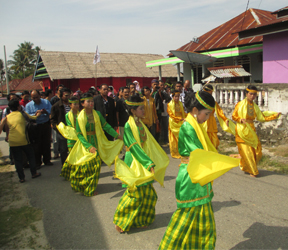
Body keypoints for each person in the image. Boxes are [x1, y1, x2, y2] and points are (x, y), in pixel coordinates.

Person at [158, 91, 216, 250]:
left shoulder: (196, 125)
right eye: (207, 114)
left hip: (197, 175)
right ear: (196, 110)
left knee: (203, 221)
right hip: (192, 177)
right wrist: (224, 161)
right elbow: (201, 154)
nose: (208, 117)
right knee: (184, 221)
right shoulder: (189, 127)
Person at [113, 94, 169, 233]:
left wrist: (156, 157)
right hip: (135, 162)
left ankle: (141, 220)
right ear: (132, 110)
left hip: (143, 160)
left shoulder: (140, 123)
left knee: (149, 195)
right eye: (141, 109)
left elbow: (149, 143)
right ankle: (121, 220)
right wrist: (148, 163)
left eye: (143, 108)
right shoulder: (128, 126)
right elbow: (133, 146)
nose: (144, 111)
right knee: (135, 196)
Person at [61, 93, 123, 196]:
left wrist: (117, 135)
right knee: (85, 166)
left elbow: (106, 126)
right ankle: (84, 185)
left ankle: (91, 188)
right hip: (85, 144)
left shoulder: (97, 114)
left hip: (97, 141)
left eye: (92, 101)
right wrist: (89, 147)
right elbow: (79, 134)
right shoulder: (79, 117)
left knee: (95, 166)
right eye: (88, 101)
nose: (91, 103)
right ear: (82, 103)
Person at [232, 85, 281, 177]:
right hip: (241, 130)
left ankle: (245, 165)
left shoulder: (255, 106)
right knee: (247, 152)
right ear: (246, 94)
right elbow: (234, 116)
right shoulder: (240, 104)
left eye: (254, 95)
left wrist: (274, 116)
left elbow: (261, 117)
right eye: (251, 94)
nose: (253, 96)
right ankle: (253, 171)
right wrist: (240, 119)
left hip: (251, 130)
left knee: (257, 151)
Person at [0, 99, 41, 182]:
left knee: (18, 160)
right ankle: (34, 173)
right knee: (31, 156)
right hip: (24, 140)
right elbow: (33, 118)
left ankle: (21, 178)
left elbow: (1, 126)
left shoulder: (7, 117)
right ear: (18, 107)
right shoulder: (22, 114)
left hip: (13, 142)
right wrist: (38, 114)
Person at [25, 90, 53, 167]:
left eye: (37, 97)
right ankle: (37, 162)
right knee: (36, 145)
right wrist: (35, 114)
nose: (35, 99)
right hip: (35, 126)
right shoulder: (28, 105)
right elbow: (27, 115)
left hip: (45, 125)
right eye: (33, 98)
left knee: (46, 143)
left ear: (40, 95)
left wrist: (45, 111)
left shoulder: (46, 102)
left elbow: (51, 111)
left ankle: (47, 160)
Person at [202, 84, 233, 149]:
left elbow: (219, 111)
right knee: (203, 138)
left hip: (212, 123)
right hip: (203, 122)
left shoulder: (214, 102)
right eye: (208, 93)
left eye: (210, 93)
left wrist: (225, 119)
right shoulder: (200, 102)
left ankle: (213, 154)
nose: (209, 95)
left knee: (214, 140)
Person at [50, 87, 71, 165]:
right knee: (64, 150)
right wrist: (58, 129)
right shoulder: (56, 106)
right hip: (62, 131)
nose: (68, 97)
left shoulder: (72, 104)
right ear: (61, 96)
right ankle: (65, 168)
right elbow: (53, 120)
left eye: (69, 95)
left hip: (73, 130)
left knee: (73, 150)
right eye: (66, 95)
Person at [167, 90, 186, 158]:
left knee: (181, 138)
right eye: (176, 96)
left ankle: (182, 152)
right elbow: (171, 115)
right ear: (172, 97)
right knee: (173, 139)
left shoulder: (180, 103)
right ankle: (175, 153)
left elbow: (183, 112)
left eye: (178, 96)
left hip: (180, 122)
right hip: (173, 123)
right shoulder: (169, 104)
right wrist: (180, 119)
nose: (177, 98)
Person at [116, 87, 130, 155]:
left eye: (128, 92)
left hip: (130, 123)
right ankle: (125, 153)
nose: (126, 93)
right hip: (122, 123)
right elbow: (117, 113)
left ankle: (130, 151)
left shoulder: (131, 101)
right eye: (125, 92)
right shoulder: (119, 102)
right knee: (123, 138)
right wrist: (117, 122)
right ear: (122, 92)